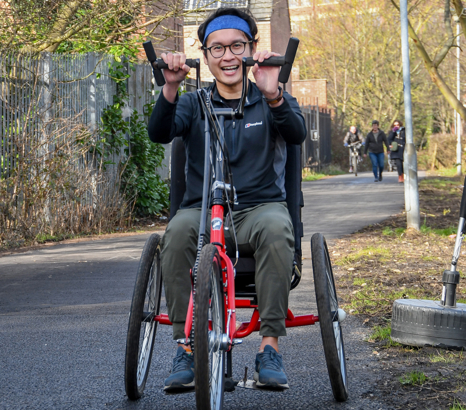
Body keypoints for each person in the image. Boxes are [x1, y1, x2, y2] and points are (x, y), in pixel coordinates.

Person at [147, 7, 306, 392]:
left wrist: (273, 94)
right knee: (176, 233)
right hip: (202, 213)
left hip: (258, 209)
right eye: (217, 49)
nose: (228, 56)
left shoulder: (270, 98)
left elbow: (297, 134)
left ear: (251, 50)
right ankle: (186, 348)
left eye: (237, 46)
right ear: (205, 57)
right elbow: (159, 132)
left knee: (275, 226)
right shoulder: (192, 104)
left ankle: (269, 347)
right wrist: (169, 88)